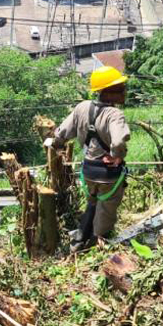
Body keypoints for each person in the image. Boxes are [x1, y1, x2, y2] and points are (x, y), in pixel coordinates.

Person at [52, 66, 131, 251]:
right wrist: (117, 157)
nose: (124, 92)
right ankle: (96, 245)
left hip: (87, 171)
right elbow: (118, 141)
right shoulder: (114, 115)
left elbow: (62, 133)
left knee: (92, 202)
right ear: (109, 92)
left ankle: (79, 239)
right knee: (106, 210)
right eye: (120, 88)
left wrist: (56, 144)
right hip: (108, 175)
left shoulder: (82, 108)